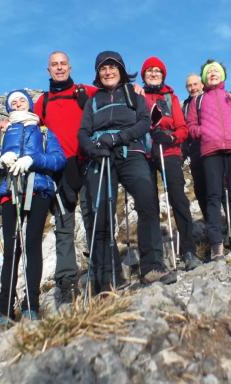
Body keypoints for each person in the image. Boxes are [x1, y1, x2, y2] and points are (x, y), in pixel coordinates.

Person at [78, 51, 176, 293]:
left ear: (121, 70)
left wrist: (119, 137)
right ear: (98, 74)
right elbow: (83, 132)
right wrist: (93, 148)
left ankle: (152, 266)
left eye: (112, 67)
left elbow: (144, 122)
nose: (108, 72)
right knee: (101, 214)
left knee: (147, 200)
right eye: (103, 68)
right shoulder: (93, 101)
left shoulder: (133, 94)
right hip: (101, 156)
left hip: (131, 151)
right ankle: (109, 277)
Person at [0, 90, 66, 332]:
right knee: (11, 248)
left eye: (22, 100)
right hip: (10, 191)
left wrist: (33, 159)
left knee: (33, 243)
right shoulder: (2, 133)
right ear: (8, 107)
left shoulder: (44, 131)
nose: (18, 103)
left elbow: (59, 159)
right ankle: (3, 309)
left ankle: (31, 306)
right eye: (13, 101)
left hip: (38, 189)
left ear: (30, 104)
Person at [33, 51, 96, 302]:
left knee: (94, 218)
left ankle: (102, 270)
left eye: (62, 64)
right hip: (59, 170)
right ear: (48, 70)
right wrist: (5, 124)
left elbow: (111, 93)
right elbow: (28, 124)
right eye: (54, 65)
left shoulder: (85, 91)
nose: (59, 68)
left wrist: (133, 89)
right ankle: (67, 282)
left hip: (87, 162)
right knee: (63, 226)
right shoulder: (43, 102)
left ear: (70, 67)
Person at [186, 60, 231, 260]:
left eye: (216, 71)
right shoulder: (198, 101)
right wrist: (203, 132)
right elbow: (191, 125)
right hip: (210, 149)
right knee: (213, 195)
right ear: (205, 78)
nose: (213, 73)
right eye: (209, 72)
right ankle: (216, 242)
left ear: (222, 75)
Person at [141, 57, 202, 271]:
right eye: (150, 71)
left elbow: (182, 127)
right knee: (149, 204)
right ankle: (155, 257)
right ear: (144, 75)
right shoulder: (139, 96)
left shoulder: (170, 97)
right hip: (146, 154)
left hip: (169, 151)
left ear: (163, 75)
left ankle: (188, 250)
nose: (154, 74)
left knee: (178, 199)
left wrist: (172, 138)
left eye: (158, 71)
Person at [182, 74, 207, 221]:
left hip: (212, 148)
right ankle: (209, 223)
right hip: (195, 151)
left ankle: (228, 224)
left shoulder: (209, 98)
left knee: (217, 187)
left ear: (202, 85)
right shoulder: (185, 105)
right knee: (200, 189)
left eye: (195, 84)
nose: (193, 88)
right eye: (189, 86)